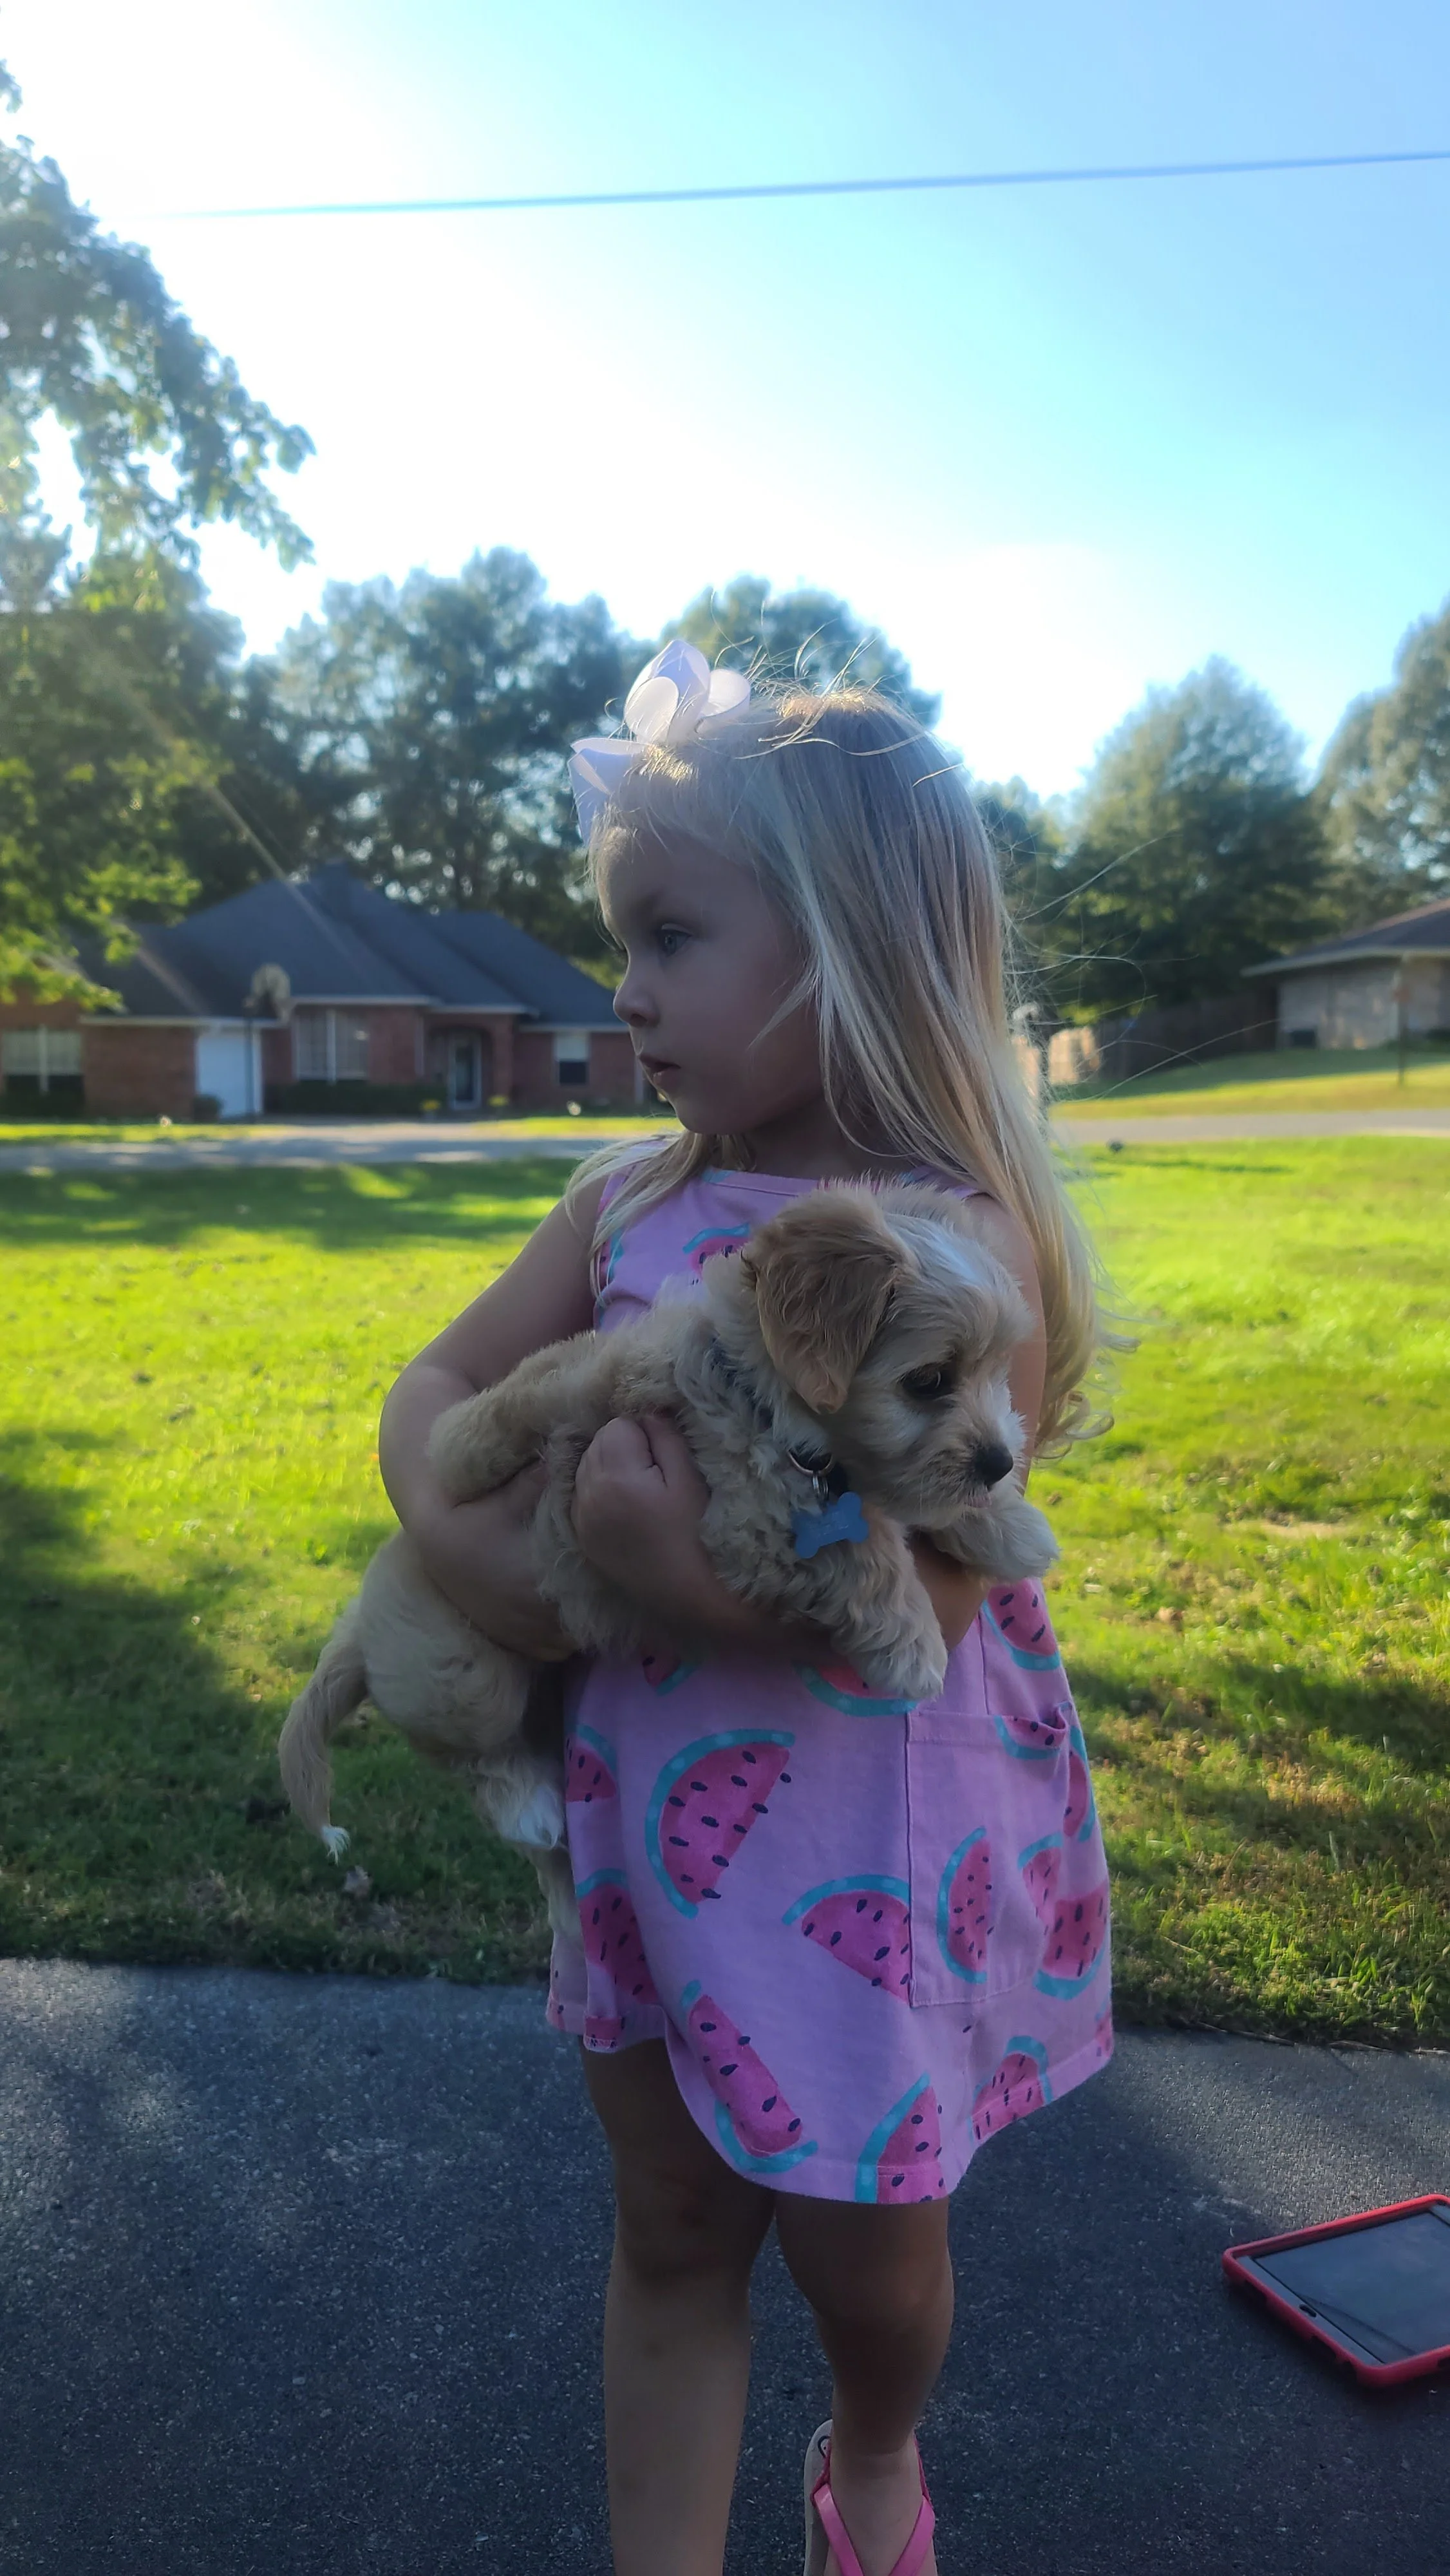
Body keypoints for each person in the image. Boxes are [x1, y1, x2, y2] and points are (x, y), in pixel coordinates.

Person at [378, 644, 1116, 2576]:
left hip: (869, 1851)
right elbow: (438, 1389)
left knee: (875, 2264)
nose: (623, 989)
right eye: (622, 939)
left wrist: (665, 1581)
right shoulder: (626, 1210)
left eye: (673, 935)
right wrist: (471, 1555)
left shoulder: (955, 1249)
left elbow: (931, 1581)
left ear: (851, 951)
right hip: (646, 1837)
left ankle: (871, 2451)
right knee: (674, 2226)